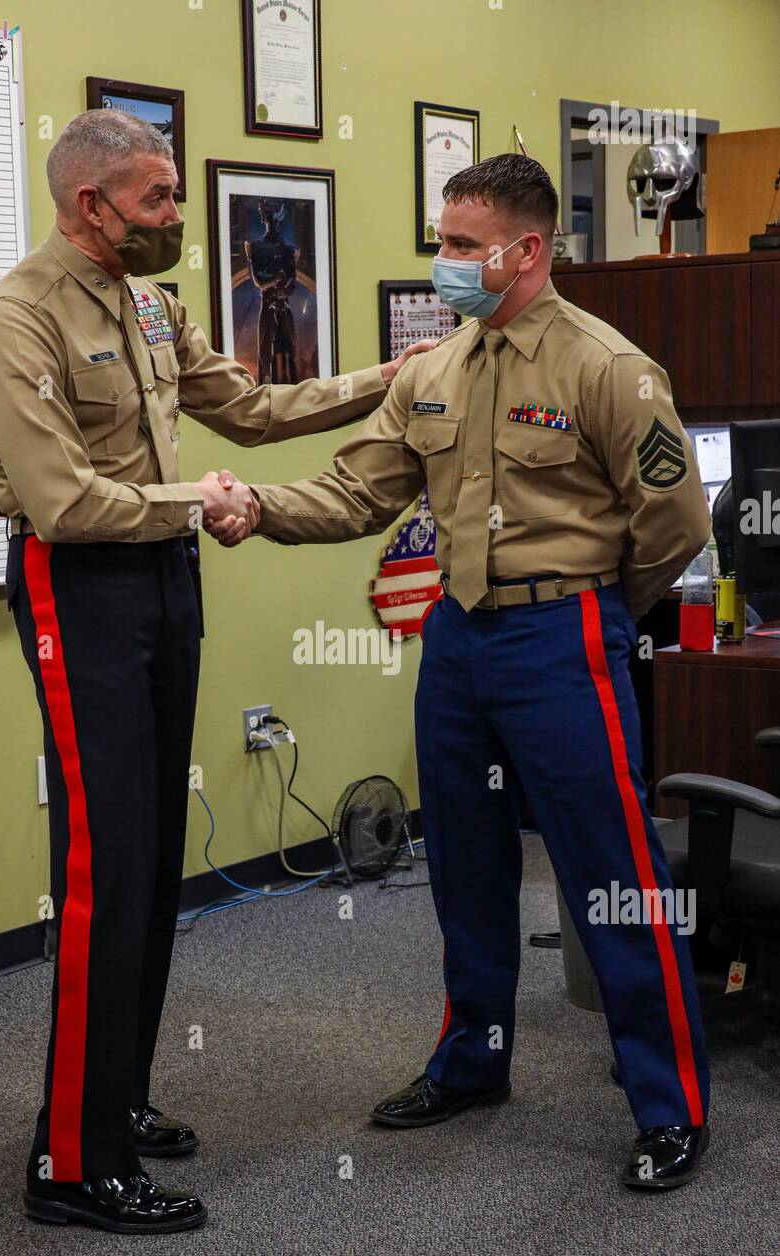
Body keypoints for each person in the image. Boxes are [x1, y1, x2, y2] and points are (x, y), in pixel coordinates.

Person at [0, 109, 432, 1235]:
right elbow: (67, 502)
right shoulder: (14, 322)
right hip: (81, 587)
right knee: (106, 871)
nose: (177, 218)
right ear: (93, 206)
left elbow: (255, 411)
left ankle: (113, 1098)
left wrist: (388, 378)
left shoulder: (148, 302)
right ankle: (73, 1162)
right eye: (159, 200)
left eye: (174, 195)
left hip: (164, 581)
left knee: (155, 857)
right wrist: (201, 502)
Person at [239, 154, 713, 1191]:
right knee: (461, 864)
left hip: (562, 640)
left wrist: (593, 613)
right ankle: (470, 1063)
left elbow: (674, 523)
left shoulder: (604, 365)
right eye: (441, 241)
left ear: (526, 250)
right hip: (455, 645)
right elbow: (357, 492)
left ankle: (669, 1105)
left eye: (461, 245)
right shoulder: (433, 369)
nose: (443, 262)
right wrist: (255, 509)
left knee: (611, 875)